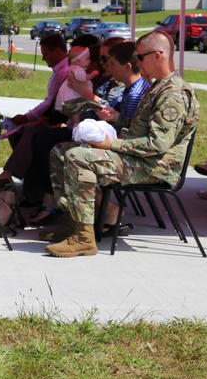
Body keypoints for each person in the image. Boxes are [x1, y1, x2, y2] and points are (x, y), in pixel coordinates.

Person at [44, 31, 199, 258]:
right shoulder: (158, 87)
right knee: (61, 151)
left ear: (157, 56)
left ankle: (84, 238)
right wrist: (117, 118)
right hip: (139, 158)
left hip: (154, 166)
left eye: (140, 57)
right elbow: (140, 129)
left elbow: (157, 145)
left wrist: (110, 144)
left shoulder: (173, 94)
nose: (136, 63)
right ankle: (74, 223)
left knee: (79, 157)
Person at [24, 40, 150, 227]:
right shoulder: (129, 88)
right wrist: (113, 116)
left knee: (67, 153)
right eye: (102, 59)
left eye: (109, 61)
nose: (106, 65)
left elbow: (133, 133)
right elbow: (127, 123)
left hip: (124, 151)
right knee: (52, 145)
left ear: (127, 66)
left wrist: (106, 138)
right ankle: (79, 216)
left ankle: (85, 220)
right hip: (111, 139)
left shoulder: (133, 91)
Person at [8, 33, 68, 144]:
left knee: (20, 134)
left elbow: (49, 103)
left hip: (57, 120)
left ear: (57, 51)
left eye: (46, 54)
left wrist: (26, 118)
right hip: (53, 118)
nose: (43, 58)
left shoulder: (62, 72)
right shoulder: (61, 70)